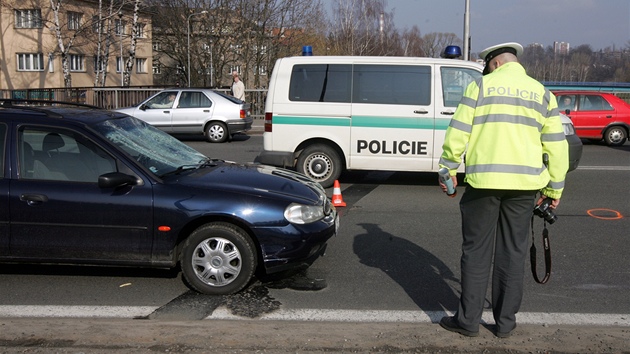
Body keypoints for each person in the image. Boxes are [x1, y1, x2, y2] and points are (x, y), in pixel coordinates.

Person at [437, 42, 569, 338]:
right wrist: (555, 188)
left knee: (476, 251)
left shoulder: (480, 87)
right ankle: (505, 324)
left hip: (483, 185)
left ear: (494, 64)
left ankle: (468, 322)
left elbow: (458, 131)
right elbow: (557, 146)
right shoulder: (542, 93)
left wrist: (447, 167)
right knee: (513, 252)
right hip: (524, 189)